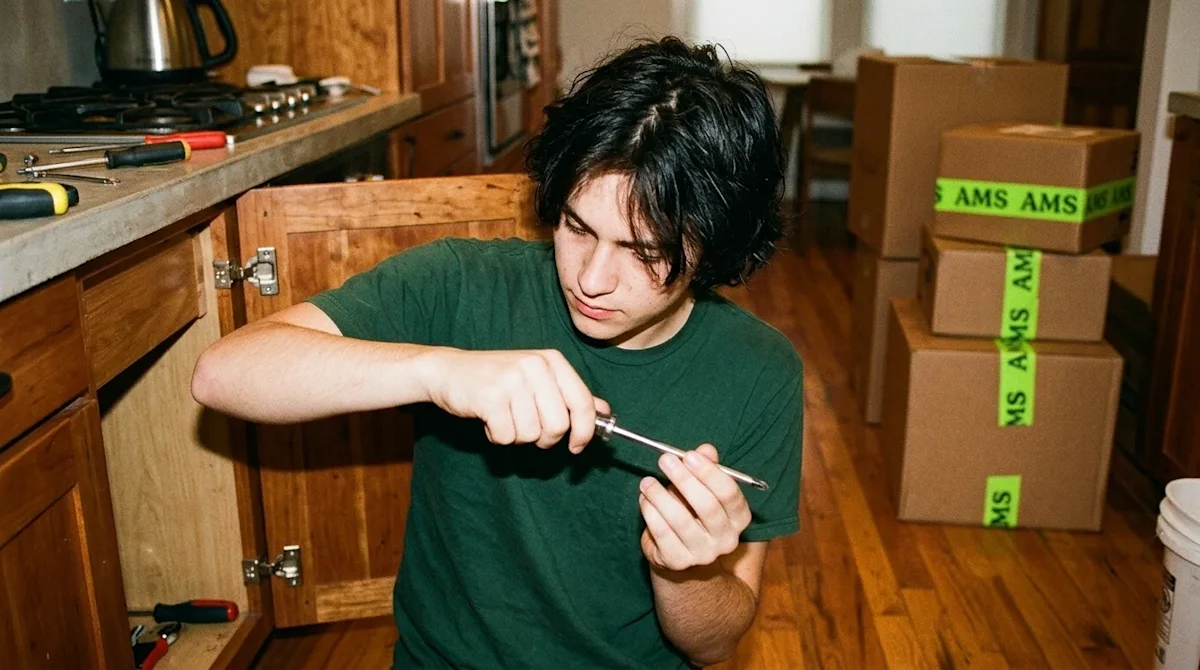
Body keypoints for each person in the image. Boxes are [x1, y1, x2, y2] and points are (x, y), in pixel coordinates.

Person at [192, 36, 803, 669]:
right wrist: (440, 371)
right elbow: (221, 374)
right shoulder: (462, 284)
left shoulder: (760, 371)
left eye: (644, 253)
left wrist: (686, 571)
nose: (592, 279)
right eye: (577, 227)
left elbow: (714, 645)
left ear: (715, 246)